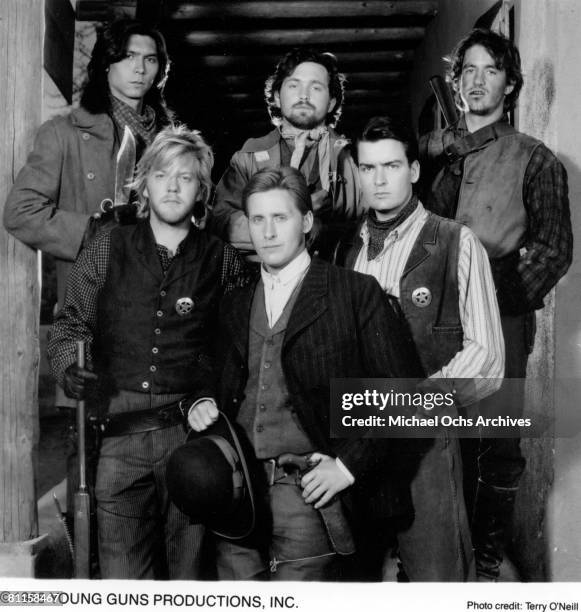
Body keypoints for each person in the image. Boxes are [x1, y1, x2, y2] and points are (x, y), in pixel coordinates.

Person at [188, 167, 423, 581]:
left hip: (309, 493)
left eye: (281, 218)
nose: (268, 231)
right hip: (236, 491)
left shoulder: (355, 293)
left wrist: (347, 466)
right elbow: (208, 373)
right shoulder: (234, 302)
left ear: (307, 222)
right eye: (257, 219)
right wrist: (202, 400)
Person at [47, 126, 245, 579]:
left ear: (202, 191)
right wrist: (68, 367)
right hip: (118, 439)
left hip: (192, 439)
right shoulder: (105, 249)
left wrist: (213, 395)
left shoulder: (222, 260)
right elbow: (70, 324)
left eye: (187, 177)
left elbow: (242, 346)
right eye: (162, 175)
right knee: (123, 584)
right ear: (145, 184)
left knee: (189, 579)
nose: (173, 186)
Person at [420, 29, 573, 580]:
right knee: (432, 438)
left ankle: (482, 570)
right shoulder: (433, 155)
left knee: (497, 443)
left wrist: (487, 299)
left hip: (501, 319)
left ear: (510, 84)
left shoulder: (534, 158)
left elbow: (554, 248)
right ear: (457, 83)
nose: (478, 80)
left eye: (491, 70)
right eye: (469, 70)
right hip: (430, 323)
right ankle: (433, 563)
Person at [335, 115, 504, 581]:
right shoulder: (343, 249)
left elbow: (487, 357)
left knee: (438, 576)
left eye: (391, 166)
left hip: (426, 434)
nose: (379, 179)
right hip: (358, 436)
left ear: (413, 170)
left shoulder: (456, 241)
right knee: (361, 576)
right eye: (368, 169)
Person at [4, 18, 173, 311]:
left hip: (161, 301)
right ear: (107, 63)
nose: (140, 69)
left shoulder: (171, 142)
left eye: (150, 59)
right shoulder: (63, 133)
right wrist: (89, 230)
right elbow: (20, 212)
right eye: (128, 57)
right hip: (94, 303)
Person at [210, 48, 363, 260]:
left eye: (316, 87)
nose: (304, 95)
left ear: (331, 103)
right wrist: (291, 215)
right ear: (277, 98)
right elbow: (221, 221)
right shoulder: (248, 157)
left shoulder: (353, 159)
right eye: (293, 85)